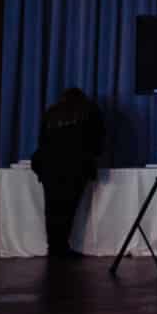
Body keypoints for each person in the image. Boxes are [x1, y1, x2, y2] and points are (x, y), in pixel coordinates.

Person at [30, 87, 103, 259]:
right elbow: (97, 140)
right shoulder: (89, 111)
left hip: (49, 165)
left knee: (52, 207)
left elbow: (42, 140)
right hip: (76, 165)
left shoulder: (51, 112)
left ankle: (54, 247)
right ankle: (61, 247)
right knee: (68, 208)